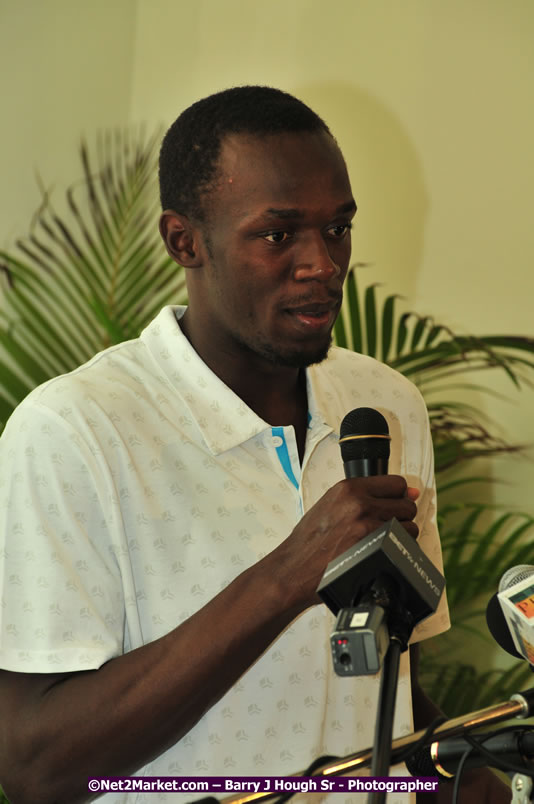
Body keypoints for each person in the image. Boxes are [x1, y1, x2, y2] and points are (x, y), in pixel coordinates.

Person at [0, 86, 505, 804]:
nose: (323, 265)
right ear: (185, 241)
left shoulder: (385, 407)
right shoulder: (75, 431)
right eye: (279, 234)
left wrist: (459, 774)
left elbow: (388, 687)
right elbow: (35, 769)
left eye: (338, 229)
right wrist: (288, 574)